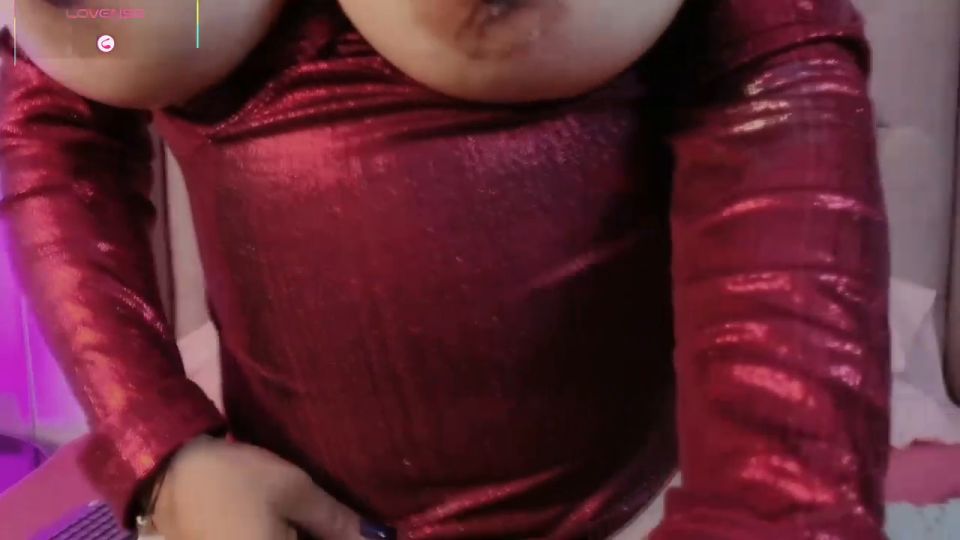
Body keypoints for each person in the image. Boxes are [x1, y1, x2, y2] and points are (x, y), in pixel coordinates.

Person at [0, 0, 890, 538]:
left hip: (625, 512)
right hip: (284, 511)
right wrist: (161, 453)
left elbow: (779, 126)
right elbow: (61, 121)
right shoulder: (156, 25)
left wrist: (764, 514)